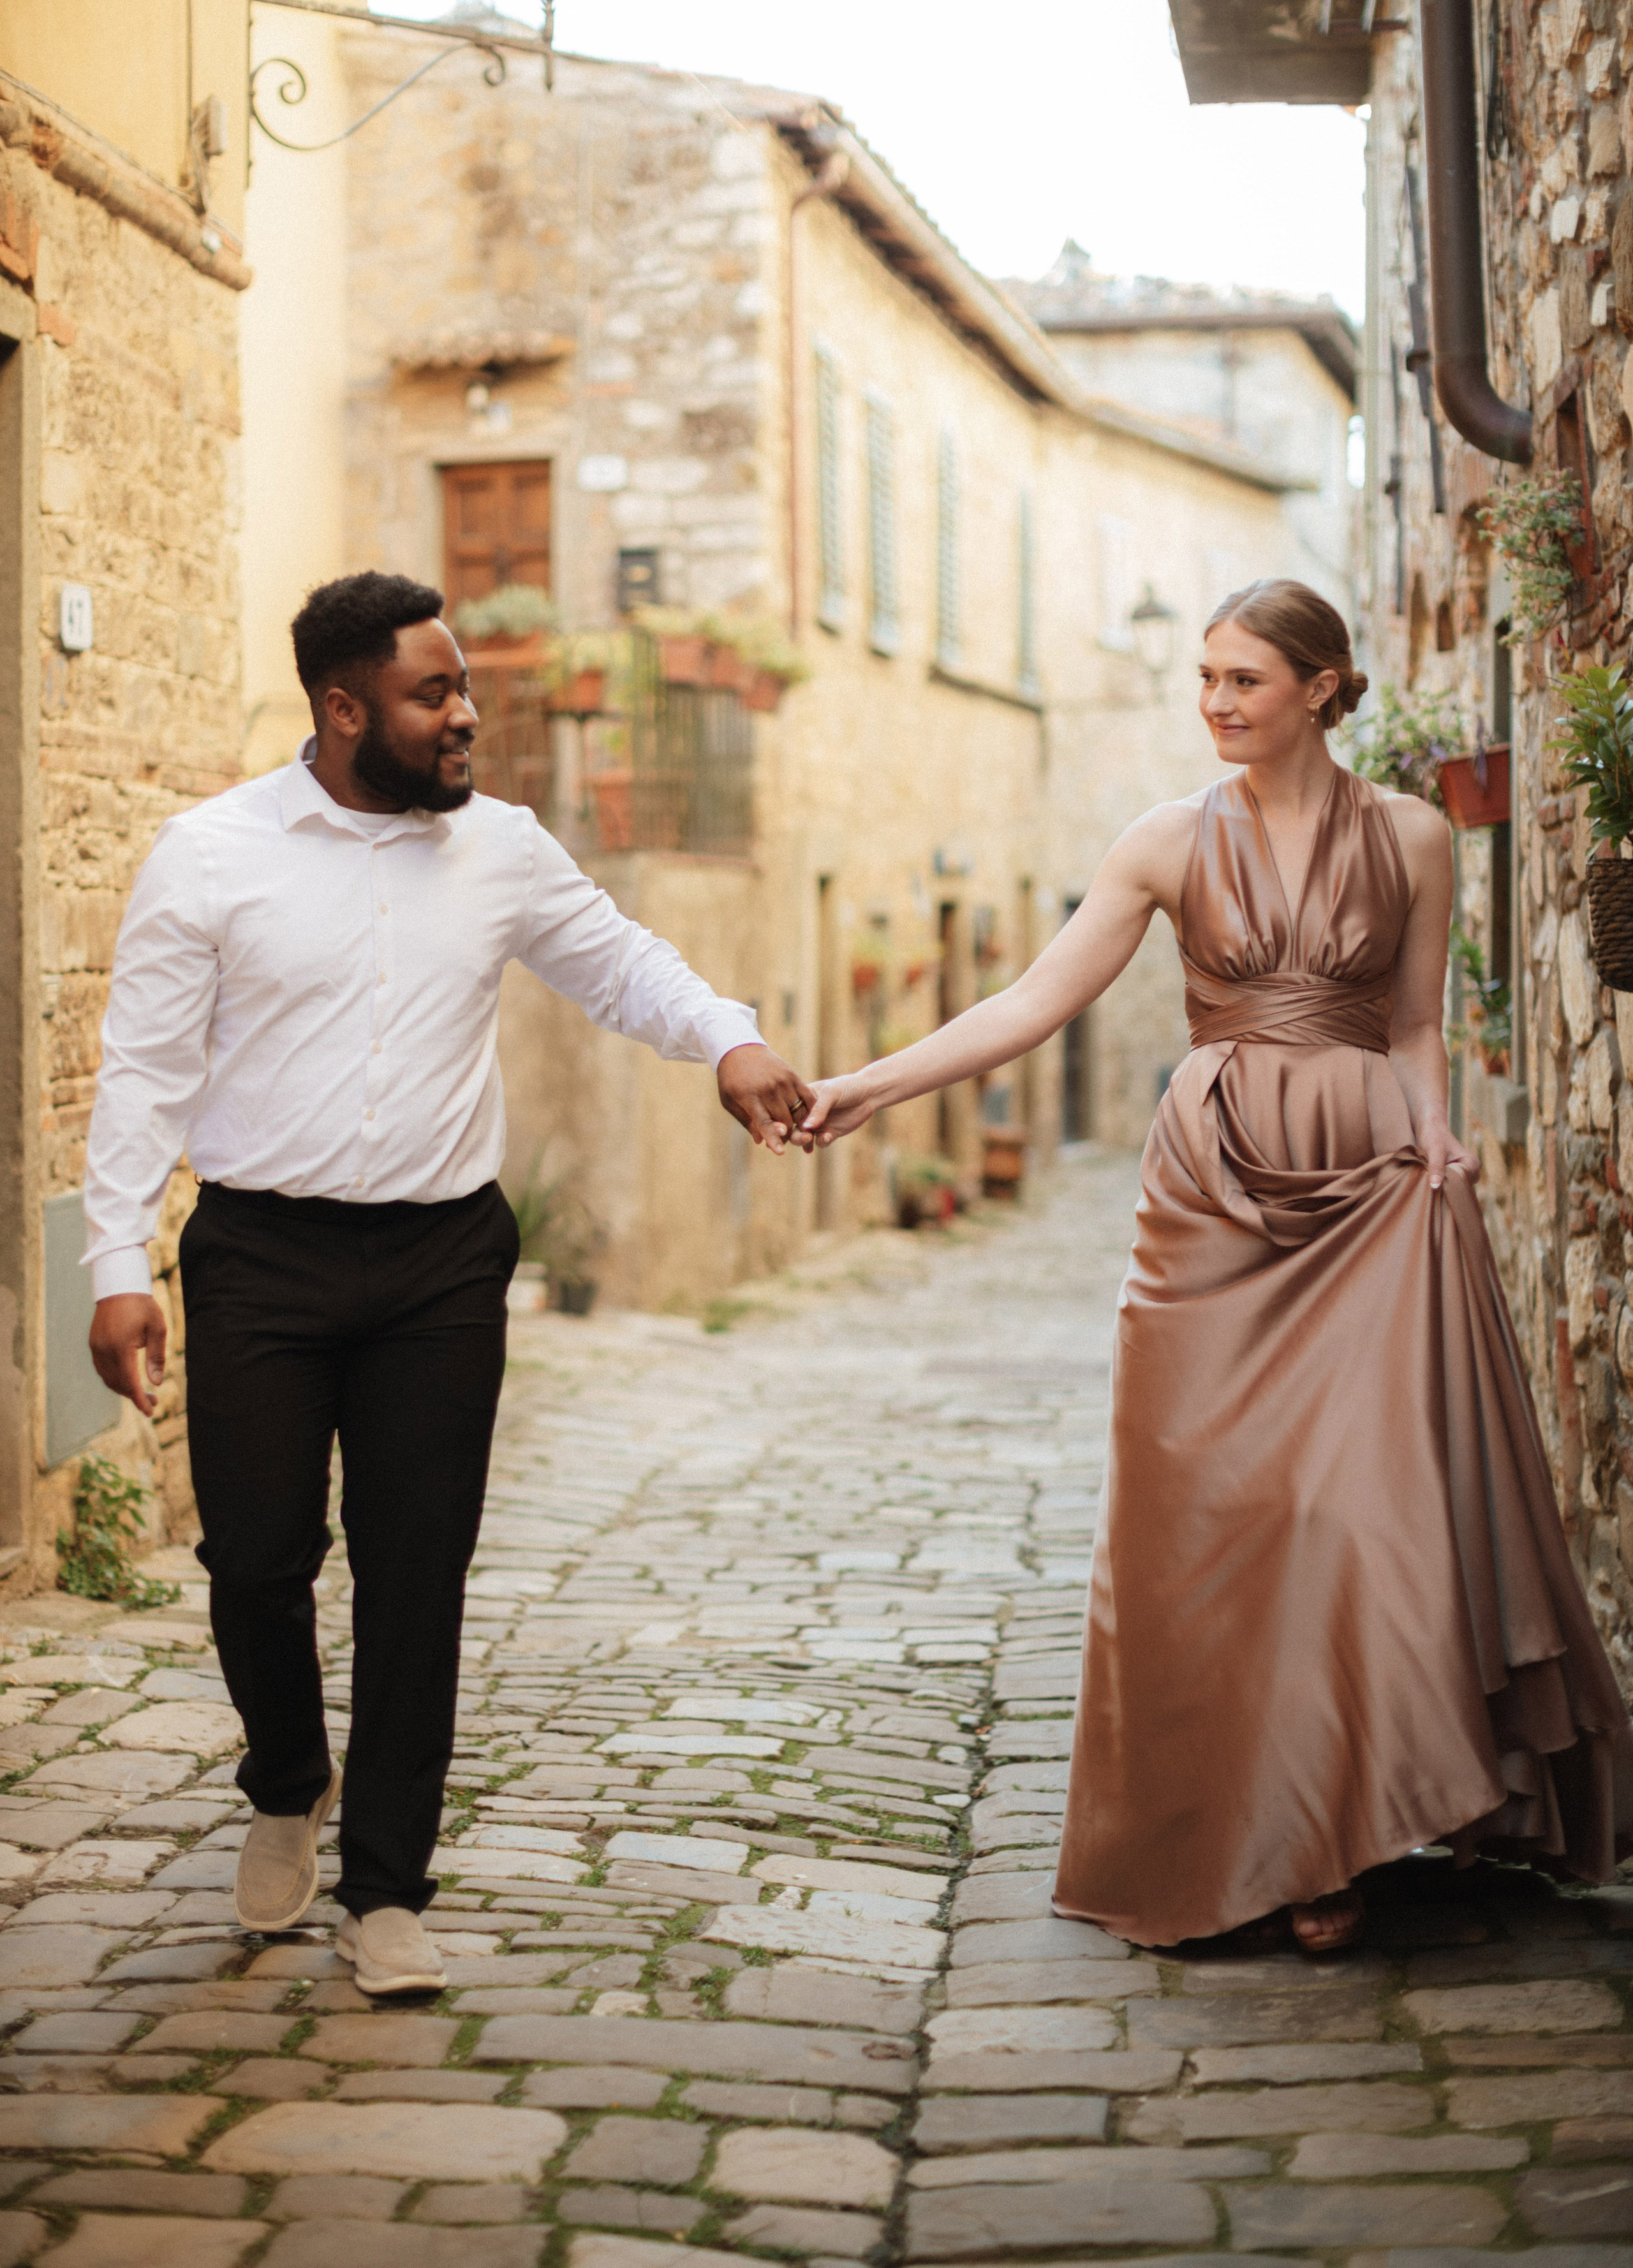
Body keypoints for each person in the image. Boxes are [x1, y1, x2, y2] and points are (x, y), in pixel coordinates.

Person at [799, 577, 1633, 1954]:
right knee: (1210, 1520)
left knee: (1357, 1513)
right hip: (1213, 1199)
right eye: (1204, 677)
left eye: (1242, 679)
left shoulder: (1414, 835)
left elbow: (1411, 1026)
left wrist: (1434, 1136)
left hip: (1371, 1195)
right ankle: (1251, 1830)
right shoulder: (1163, 840)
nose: (1215, 703)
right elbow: (1032, 999)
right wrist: (866, 1088)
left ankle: (1335, 1831)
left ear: (1320, 688)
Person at [84, 571, 811, 1996]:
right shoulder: (212, 854)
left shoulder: (504, 850)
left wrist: (725, 1039)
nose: (468, 713)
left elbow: (622, 963)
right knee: (256, 1559)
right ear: (344, 708)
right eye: (435, 694)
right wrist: (116, 1265)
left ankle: (386, 1890)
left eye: (465, 685)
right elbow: (144, 1071)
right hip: (260, 1259)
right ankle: (287, 1778)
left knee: (416, 1573)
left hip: (439, 1264)